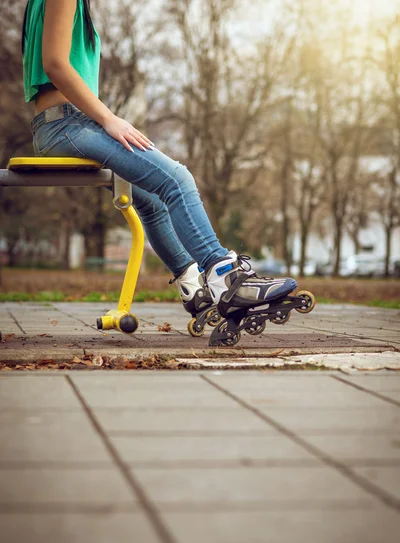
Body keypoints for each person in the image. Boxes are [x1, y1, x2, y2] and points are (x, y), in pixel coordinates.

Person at [21, 0, 297, 330]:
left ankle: (194, 286)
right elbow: (54, 64)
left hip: (58, 124)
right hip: (66, 124)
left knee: (152, 201)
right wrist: (109, 119)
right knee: (176, 179)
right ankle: (226, 278)